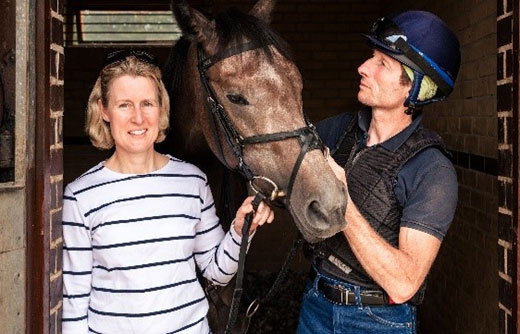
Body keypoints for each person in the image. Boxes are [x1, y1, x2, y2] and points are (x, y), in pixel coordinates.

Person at [61, 50, 274, 334]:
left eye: (148, 103)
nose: (138, 118)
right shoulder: (81, 196)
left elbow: (216, 271)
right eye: (124, 105)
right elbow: (75, 302)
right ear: (103, 110)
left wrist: (239, 230)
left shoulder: (192, 182)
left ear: (161, 108)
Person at [297, 11, 461, 333]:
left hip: (376, 320)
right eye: (371, 57)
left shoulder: (432, 171)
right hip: (316, 300)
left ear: (413, 90)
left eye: (383, 64)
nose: (363, 67)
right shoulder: (339, 131)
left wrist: (340, 197)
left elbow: (403, 284)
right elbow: (284, 161)